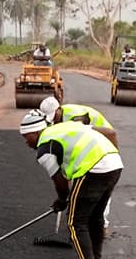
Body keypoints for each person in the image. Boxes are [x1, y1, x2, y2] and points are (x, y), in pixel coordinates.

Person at [19, 109, 123, 259]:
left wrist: (61, 200)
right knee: (95, 219)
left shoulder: (45, 148)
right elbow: (109, 133)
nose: (26, 142)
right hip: (113, 163)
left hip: (94, 169)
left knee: (76, 223)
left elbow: (59, 180)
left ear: (36, 132)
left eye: (26, 137)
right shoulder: (63, 128)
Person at [39, 95, 119, 236]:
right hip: (90, 143)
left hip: (103, 140)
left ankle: (102, 225)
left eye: (54, 117)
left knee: (101, 189)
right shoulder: (59, 118)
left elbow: (103, 135)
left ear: (59, 109)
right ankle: (82, 221)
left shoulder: (76, 117)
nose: (52, 122)